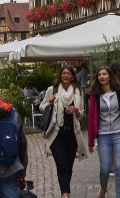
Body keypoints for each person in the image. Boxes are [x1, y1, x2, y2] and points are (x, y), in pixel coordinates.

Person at [40, 64, 87, 198]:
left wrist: (77, 110)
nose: (65, 75)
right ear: (60, 76)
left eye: (68, 73)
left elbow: (82, 114)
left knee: (68, 165)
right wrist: (49, 102)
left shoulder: (78, 91)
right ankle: (65, 194)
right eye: (63, 73)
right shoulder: (52, 90)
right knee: (61, 164)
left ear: (73, 76)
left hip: (72, 133)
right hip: (56, 133)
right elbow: (41, 107)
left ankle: (65, 190)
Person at [87, 66, 120, 198]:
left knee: (119, 167)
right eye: (99, 75)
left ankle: (119, 196)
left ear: (109, 76)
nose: (101, 76)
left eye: (104, 74)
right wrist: (91, 141)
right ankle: (103, 188)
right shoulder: (95, 96)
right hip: (103, 136)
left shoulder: (119, 93)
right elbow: (91, 119)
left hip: (119, 133)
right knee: (105, 168)